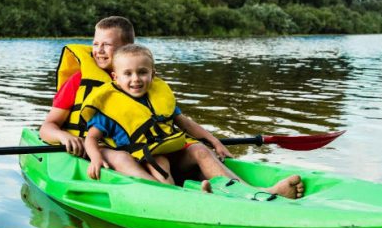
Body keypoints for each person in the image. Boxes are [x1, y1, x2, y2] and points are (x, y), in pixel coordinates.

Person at [81, 44, 304, 199]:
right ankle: (191, 198)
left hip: (172, 153)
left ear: (153, 74)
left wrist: (214, 142)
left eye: (142, 72)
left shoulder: (158, 96)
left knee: (199, 150)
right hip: (145, 159)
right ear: (115, 77)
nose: (135, 79)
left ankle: (256, 192)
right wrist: (95, 158)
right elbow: (91, 139)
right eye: (128, 74)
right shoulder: (109, 106)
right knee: (161, 162)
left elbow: (185, 123)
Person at [39, 16, 135, 157]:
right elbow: (47, 127)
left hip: (130, 149)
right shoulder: (77, 81)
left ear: (127, 48)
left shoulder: (140, 81)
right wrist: (63, 136)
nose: (99, 50)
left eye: (106, 44)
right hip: (89, 151)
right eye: (95, 44)